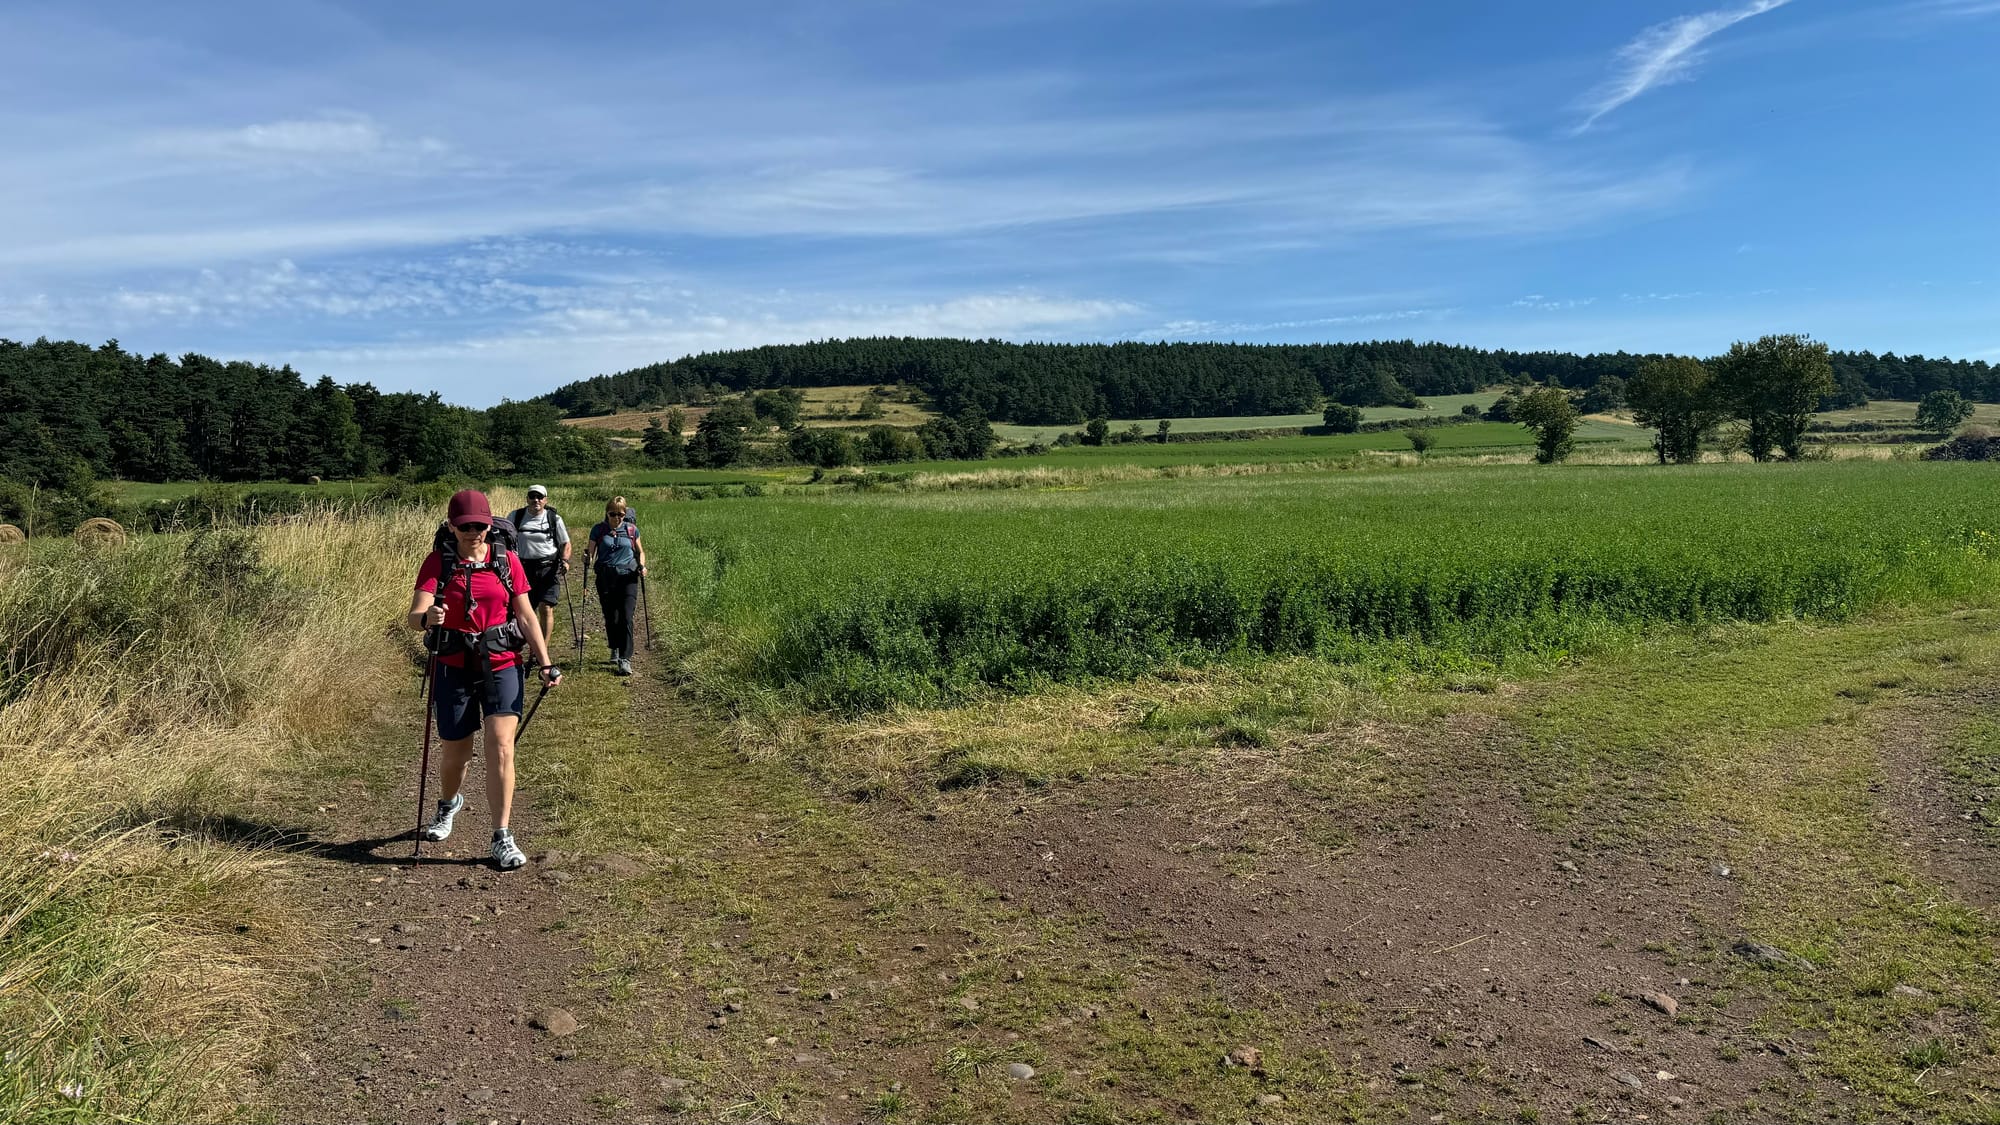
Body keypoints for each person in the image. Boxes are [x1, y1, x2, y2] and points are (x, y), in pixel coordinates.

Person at [407, 489, 561, 869]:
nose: (473, 532)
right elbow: (414, 616)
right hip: (454, 664)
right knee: (455, 754)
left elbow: (525, 616)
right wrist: (428, 618)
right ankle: (449, 805)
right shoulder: (437, 563)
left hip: (502, 663)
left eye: (480, 525)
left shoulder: (507, 561)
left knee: (501, 746)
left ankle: (501, 836)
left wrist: (545, 662)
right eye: (465, 526)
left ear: (490, 525)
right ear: (451, 526)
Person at [585, 496, 648, 676]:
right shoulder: (598, 530)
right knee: (611, 617)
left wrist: (642, 566)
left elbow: (640, 552)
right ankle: (614, 647)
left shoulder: (631, 530)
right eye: (613, 514)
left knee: (626, 617)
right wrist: (586, 559)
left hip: (628, 578)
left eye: (621, 514)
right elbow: (590, 553)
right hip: (606, 577)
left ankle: (625, 659)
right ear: (607, 513)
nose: (617, 517)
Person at [508, 485, 571, 646]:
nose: (536, 500)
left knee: (546, 607)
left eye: (540, 497)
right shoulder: (515, 516)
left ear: (545, 500)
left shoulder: (554, 518)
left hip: (548, 568)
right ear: (527, 498)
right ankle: (521, 642)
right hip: (522, 569)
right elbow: (505, 539)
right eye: (532, 496)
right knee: (523, 610)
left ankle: (542, 647)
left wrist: (564, 560)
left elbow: (565, 544)